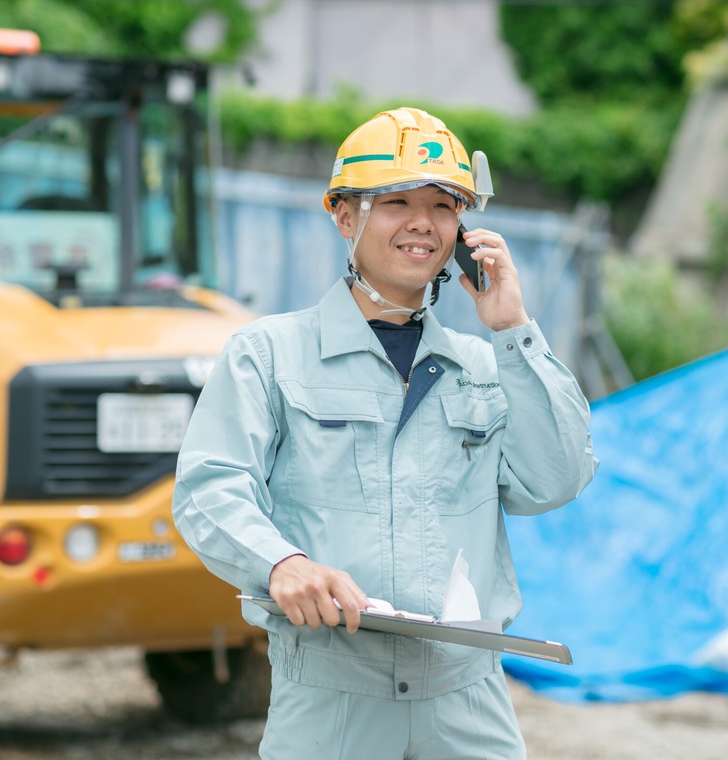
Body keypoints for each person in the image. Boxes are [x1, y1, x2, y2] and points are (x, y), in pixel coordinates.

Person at [172, 107, 597, 759]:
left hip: (466, 697)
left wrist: (514, 331)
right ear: (346, 216)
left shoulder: (486, 366)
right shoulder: (269, 354)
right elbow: (209, 487)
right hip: (332, 697)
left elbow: (557, 479)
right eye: (397, 201)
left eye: (443, 205)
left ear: (462, 230)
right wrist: (281, 563)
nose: (422, 222)